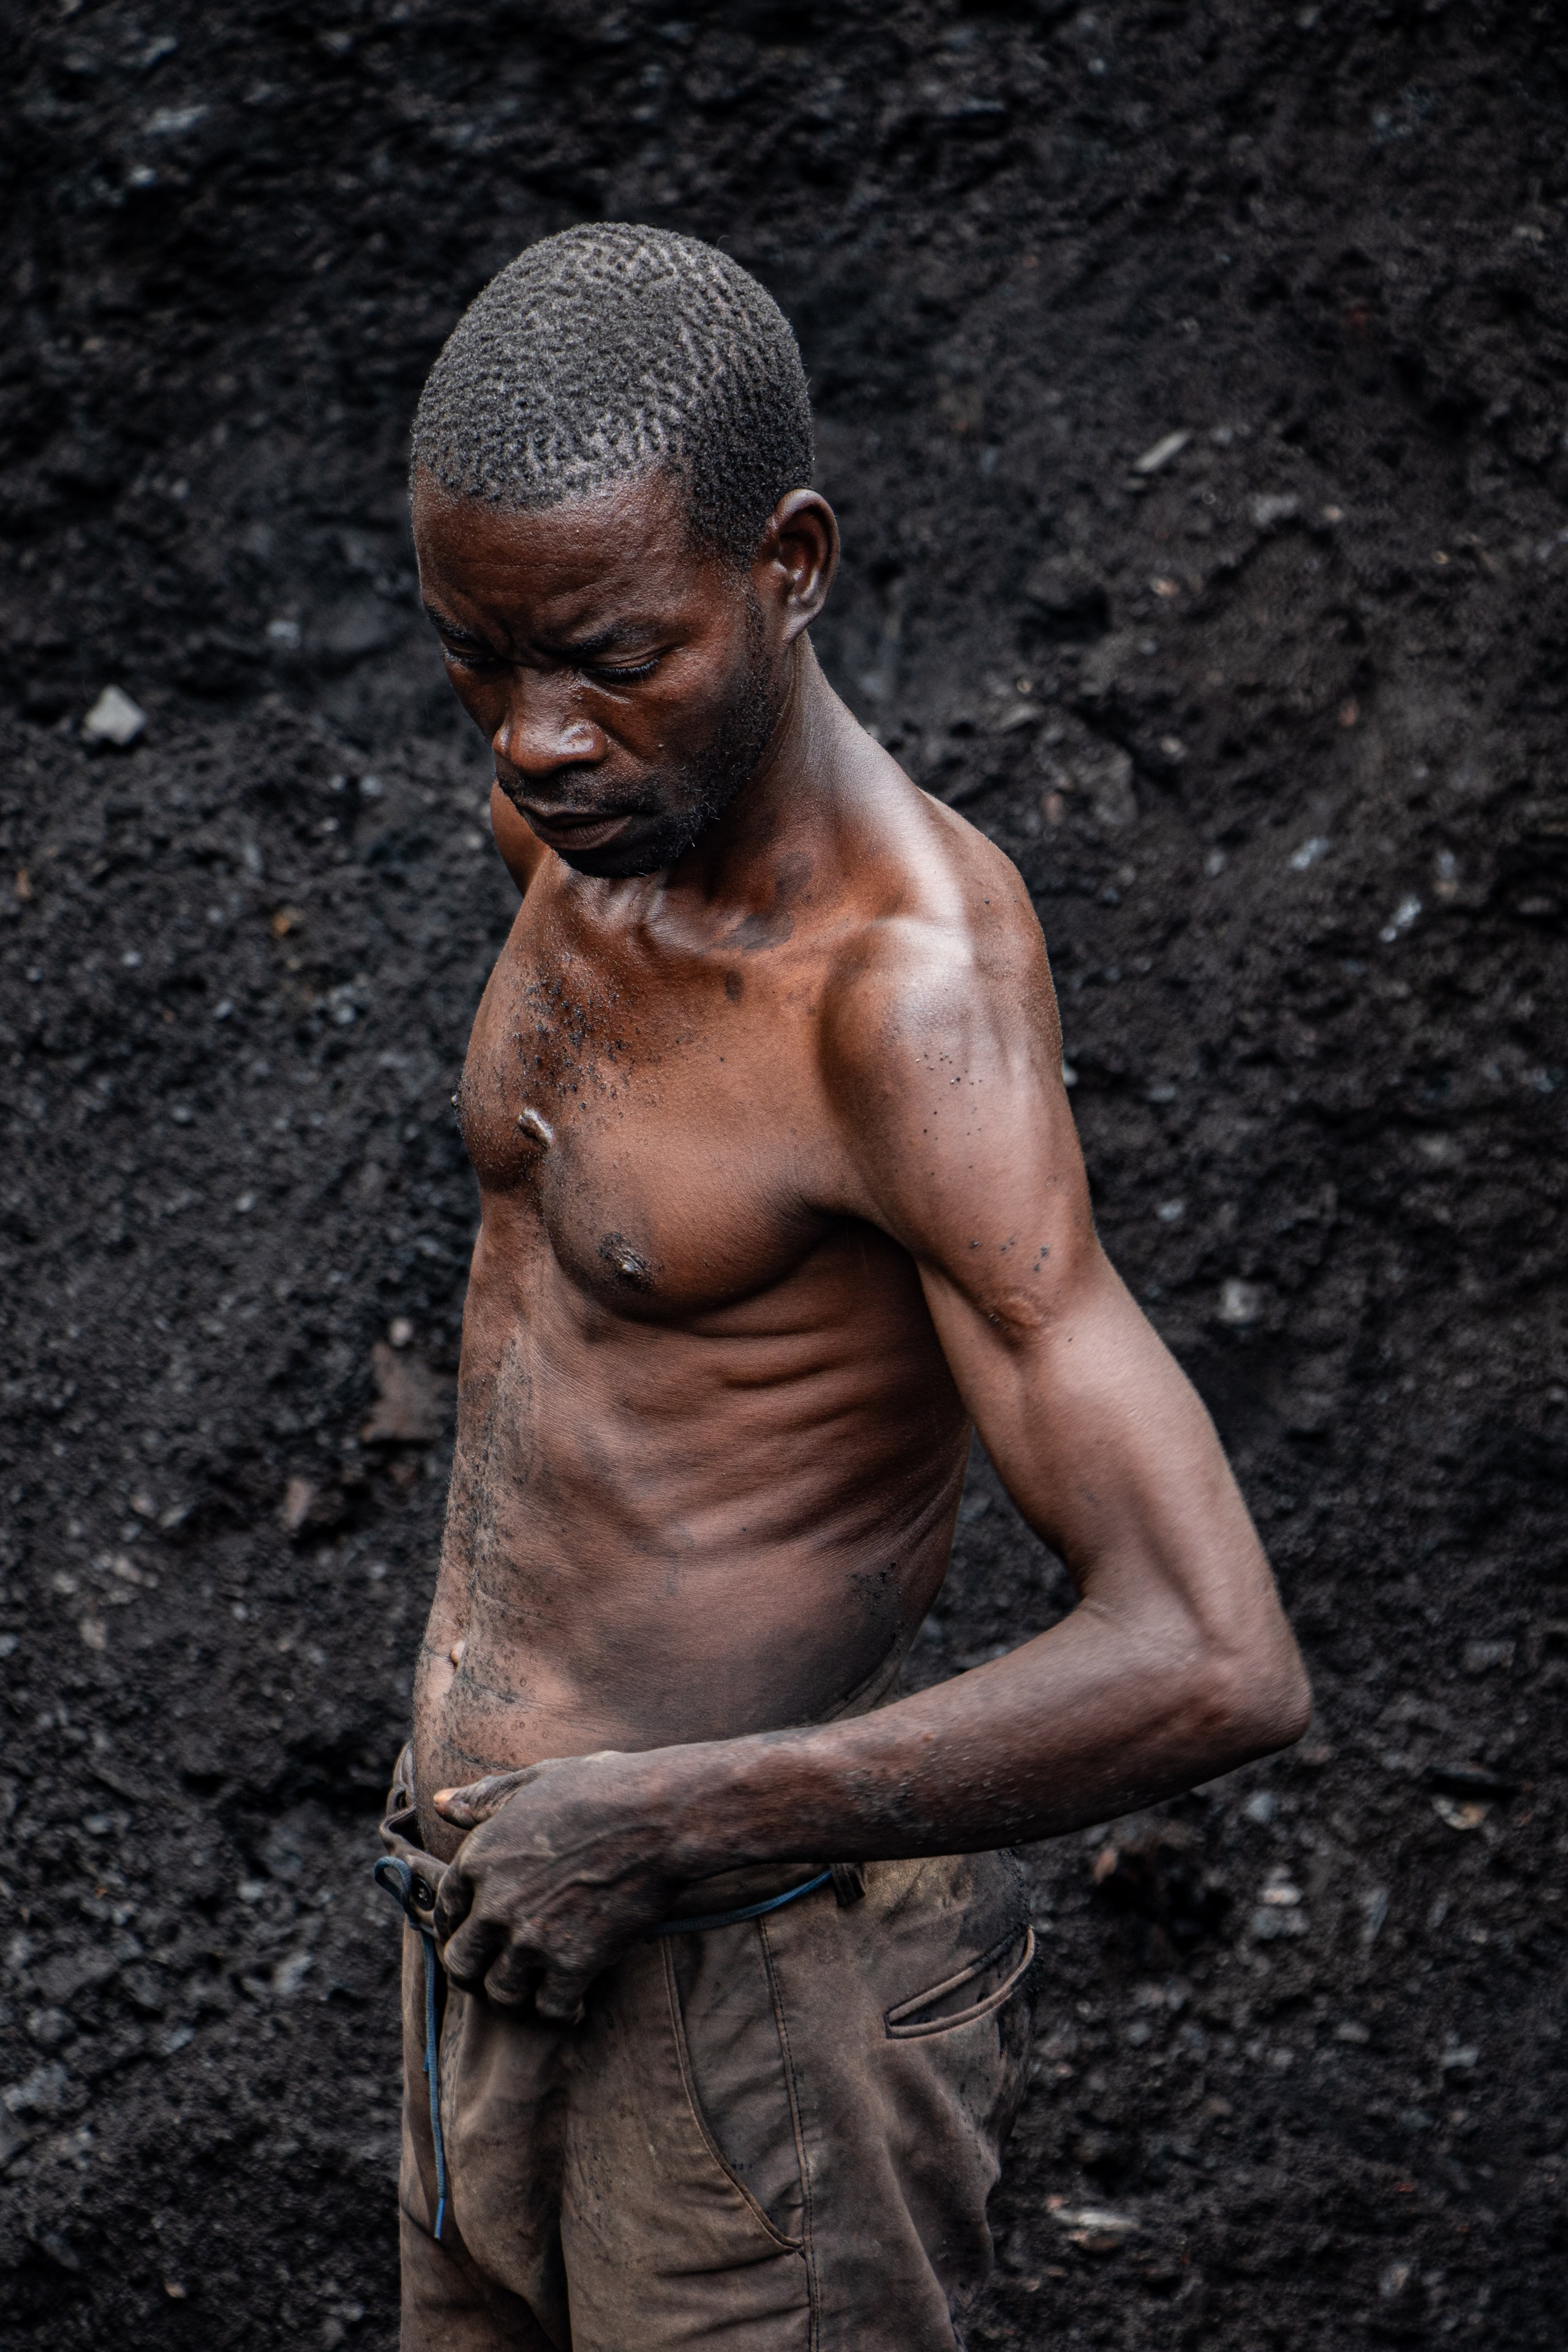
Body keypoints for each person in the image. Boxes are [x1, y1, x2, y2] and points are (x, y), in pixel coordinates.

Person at [375, 222, 1310, 2352]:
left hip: (747, 1999)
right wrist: (540, 1839)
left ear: (788, 565)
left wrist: (660, 1824)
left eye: (607, 657)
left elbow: (1213, 1651)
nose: (530, 740)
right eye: (473, 659)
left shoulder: (905, 1004)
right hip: (481, 1931)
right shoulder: (583, 833)